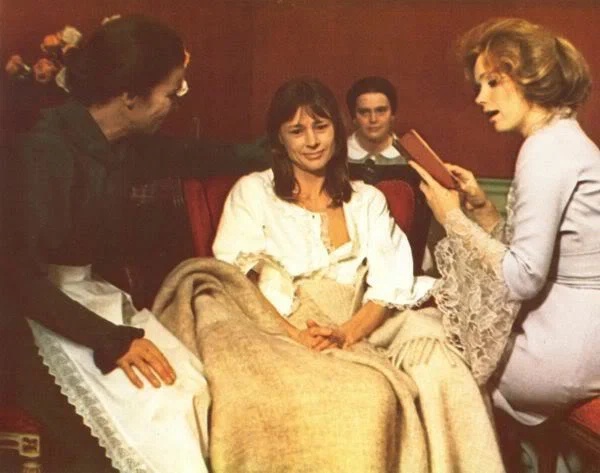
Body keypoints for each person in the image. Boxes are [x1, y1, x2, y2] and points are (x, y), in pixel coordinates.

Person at [1, 15, 267, 472]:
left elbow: (199, 154)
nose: (176, 104)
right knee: (151, 408)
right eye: (171, 93)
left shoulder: (123, 141)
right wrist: (112, 341)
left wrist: (280, 147)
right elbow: (19, 279)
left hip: (84, 299)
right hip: (27, 319)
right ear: (129, 98)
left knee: (189, 384)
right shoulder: (44, 150)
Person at [212, 77, 505, 472]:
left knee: (443, 366)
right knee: (367, 396)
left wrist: (347, 333)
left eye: (320, 126)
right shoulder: (253, 191)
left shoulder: (366, 199)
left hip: (359, 321)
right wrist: (296, 334)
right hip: (281, 327)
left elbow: (389, 284)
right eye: (297, 131)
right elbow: (237, 280)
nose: (312, 141)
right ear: (279, 139)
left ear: (336, 129)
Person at [409, 17, 600, 471]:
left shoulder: (544, 150)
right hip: (584, 340)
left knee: (430, 356)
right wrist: (481, 210)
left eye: (493, 82)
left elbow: (523, 277)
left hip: (566, 354)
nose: (480, 98)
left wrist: (451, 218)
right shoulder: (565, 138)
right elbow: (537, 255)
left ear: (530, 78)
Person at [346, 76, 406, 165]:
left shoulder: (411, 156)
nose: (373, 119)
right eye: (364, 112)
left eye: (380, 111)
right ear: (354, 118)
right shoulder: (336, 156)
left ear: (392, 115)